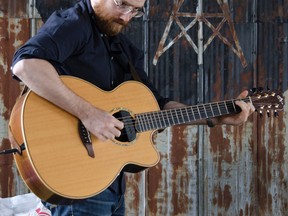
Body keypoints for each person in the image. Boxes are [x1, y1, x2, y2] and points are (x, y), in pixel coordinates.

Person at [11, 0, 255, 215]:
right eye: (121, 4)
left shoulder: (124, 48)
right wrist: (88, 114)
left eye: (135, 10)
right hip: (78, 184)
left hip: (110, 185)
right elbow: (25, 65)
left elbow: (157, 105)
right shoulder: (74, 24)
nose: (126, 16)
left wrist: (214, 117)